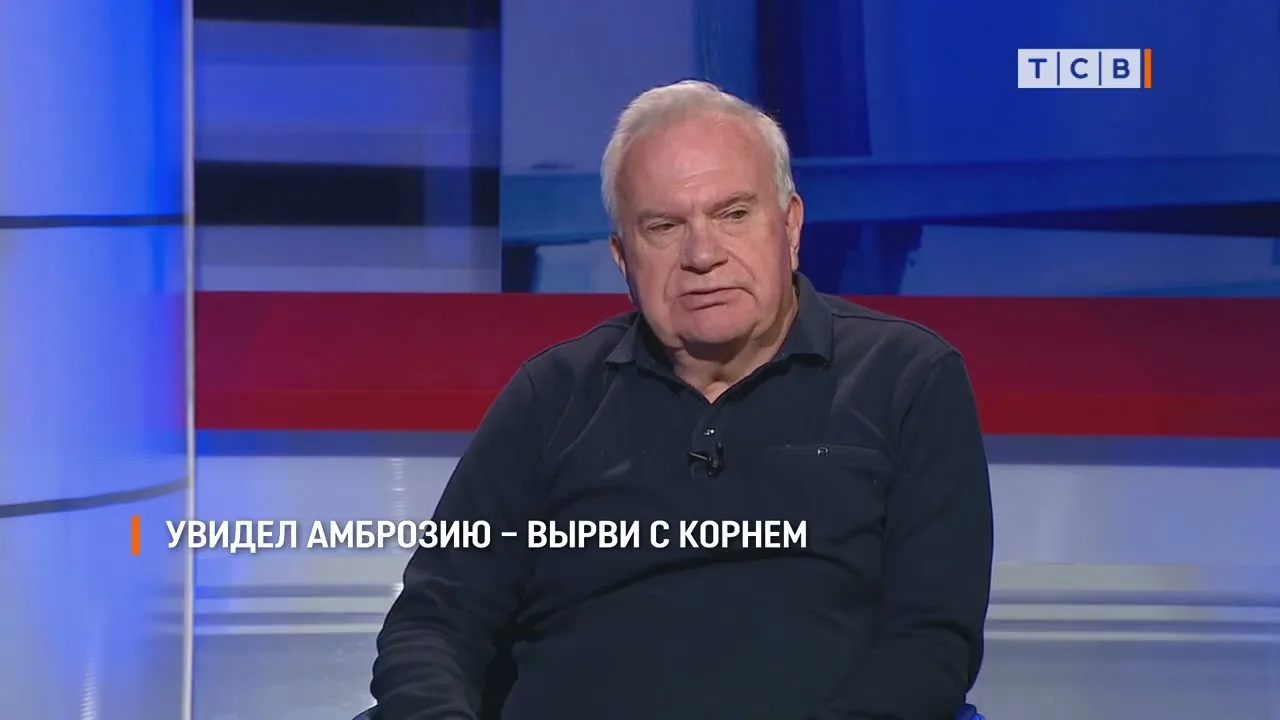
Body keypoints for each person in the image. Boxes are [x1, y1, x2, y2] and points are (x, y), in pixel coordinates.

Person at [371, 80, 993, 720]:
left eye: (733, 214)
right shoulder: (551, 396)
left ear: (790, 226)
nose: (702, 255)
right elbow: (433, 622)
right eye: (664, 227)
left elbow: (930, 643)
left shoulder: (908, 379)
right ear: (623, 257)